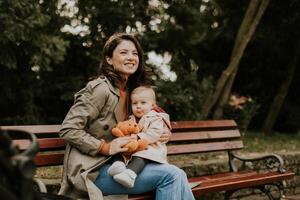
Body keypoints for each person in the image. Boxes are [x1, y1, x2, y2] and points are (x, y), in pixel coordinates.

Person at [58, 32, 195, 200]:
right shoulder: (100, 90)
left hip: (124, 165)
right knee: (171, 176)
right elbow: (69, 128)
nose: (131, 57)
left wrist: (164, 131)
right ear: (109, 59)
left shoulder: (133, 93)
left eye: (135, 53)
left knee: (177, 175)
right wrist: (105, 147)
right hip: (92, 170)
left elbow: (152, 117)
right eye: (123, 52)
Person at [107, 86, 171, 188]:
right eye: (135, 103)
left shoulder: (156, 118)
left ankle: (130, 175)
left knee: (142, 154)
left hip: (152, 147)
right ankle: (118, 165)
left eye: (143, 103)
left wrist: (138, 137)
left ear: (152, 105)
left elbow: (154, 134)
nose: (138, 106)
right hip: (134, 146)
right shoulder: (131, 118)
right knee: (120, 148)